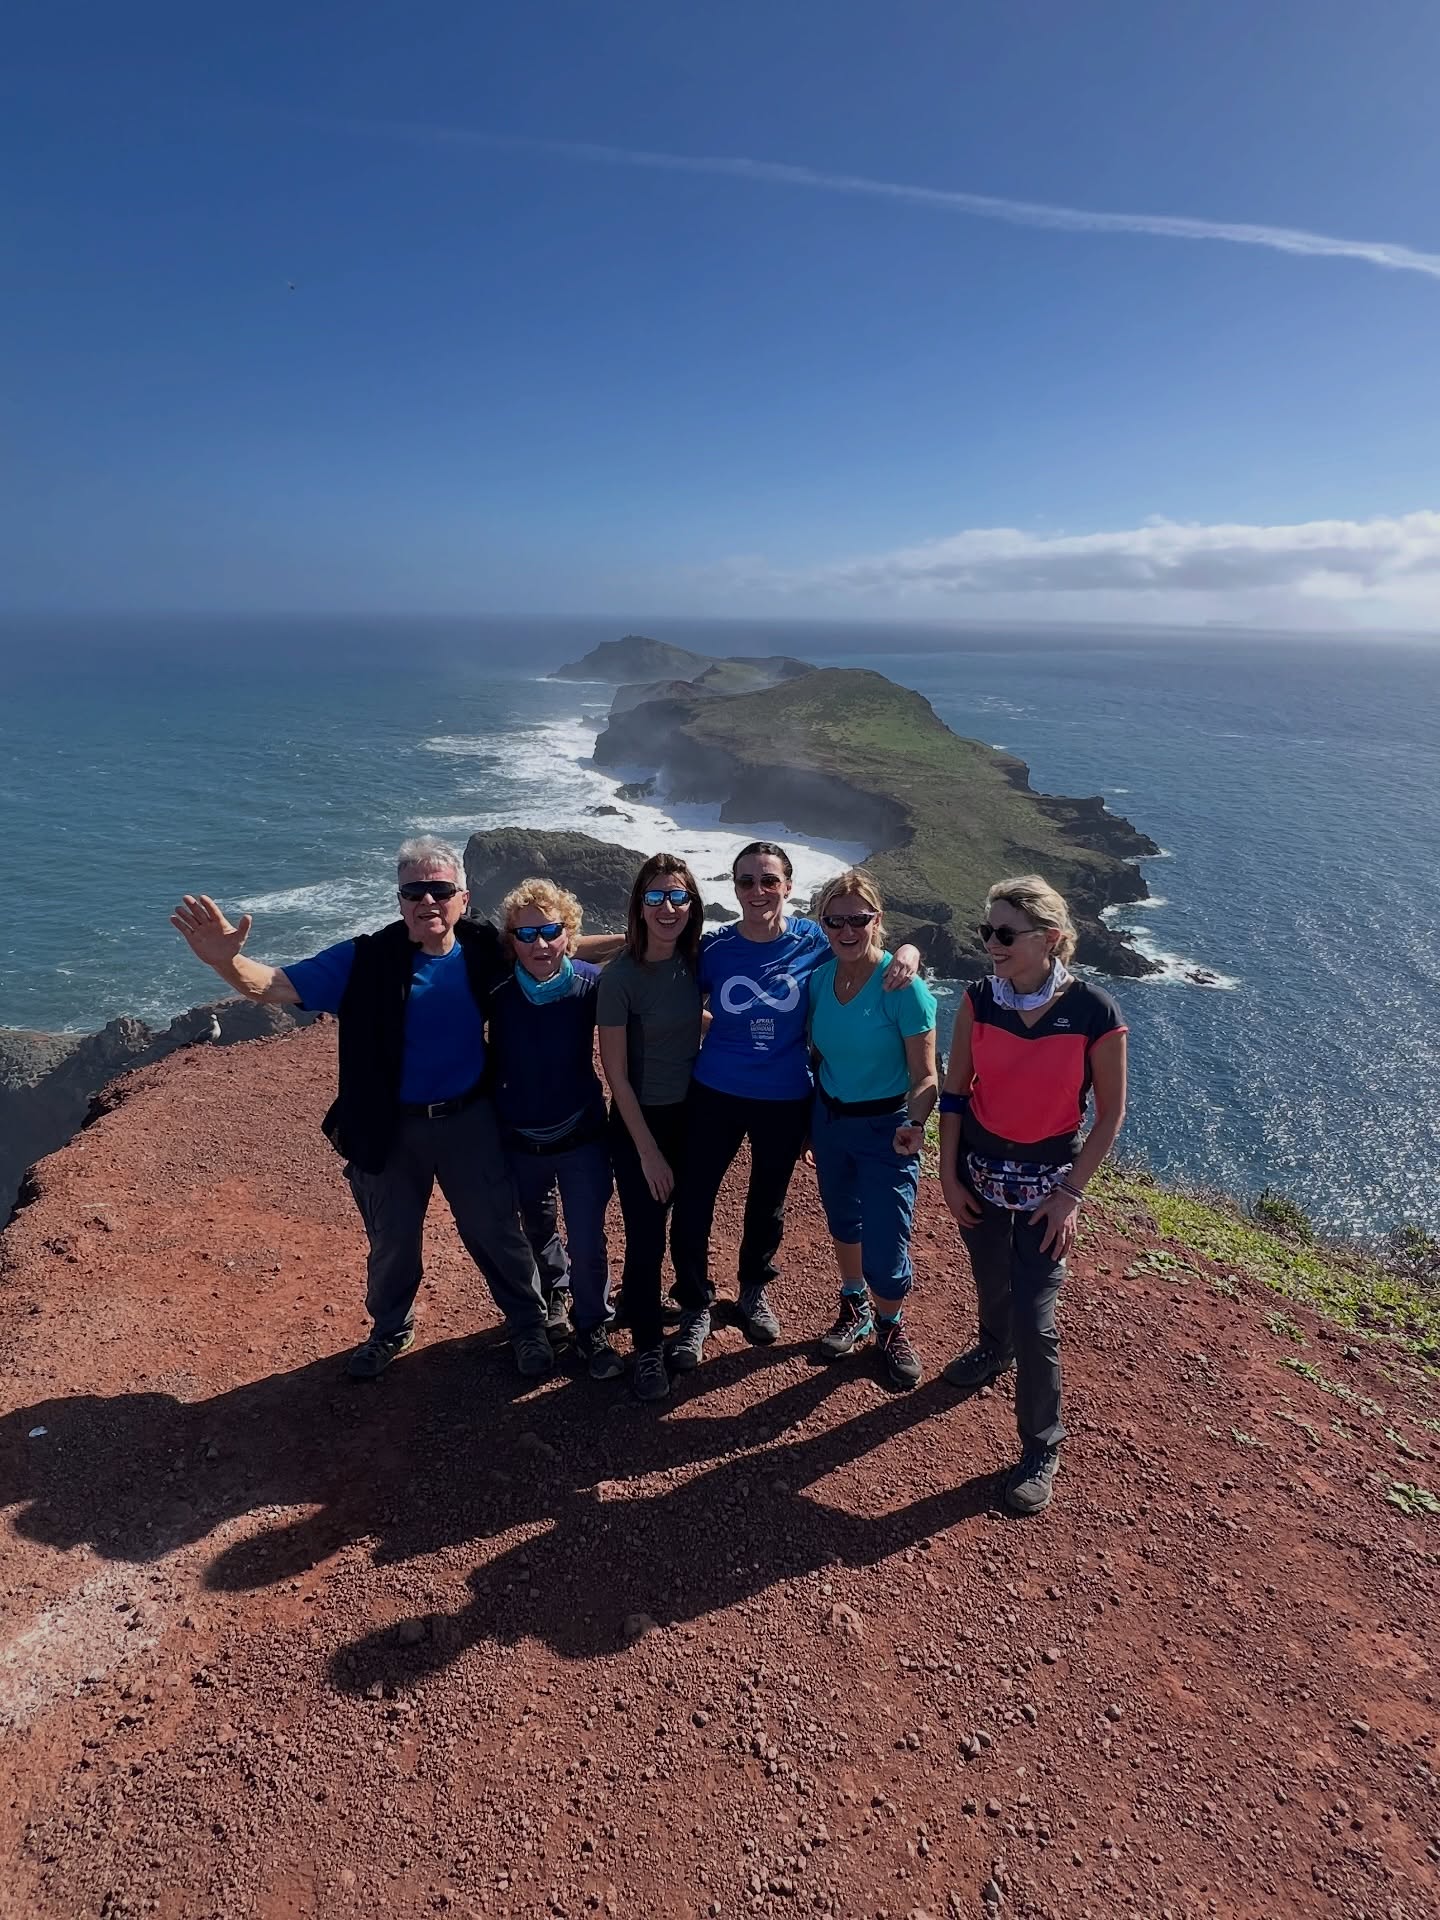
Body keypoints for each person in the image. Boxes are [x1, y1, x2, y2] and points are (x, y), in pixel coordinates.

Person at [169, 836, 556, 1381]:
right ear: (400, 901)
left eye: (439, 889)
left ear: (462, 899)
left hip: (470, 1119)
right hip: (388, 1127)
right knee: (393, 1240)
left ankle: (528, 1325)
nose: (427, 901)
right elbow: (273, 987)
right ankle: (390, 1329)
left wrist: (645, 941)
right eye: (414, 891)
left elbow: (561, 949)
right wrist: (226, 962)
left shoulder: (486, 948)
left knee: (495, 1229)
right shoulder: (364, 958)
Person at [668, 841, 921, 1368]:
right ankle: (695, 1304)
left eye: (768, 881)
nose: (757, 891)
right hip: (715, 1089)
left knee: (768, 1202)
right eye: (745, 882)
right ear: (733, 887)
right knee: (695, 1198)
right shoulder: (714, 949)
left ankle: (752, 1290)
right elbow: (664, 982)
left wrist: (910, 952)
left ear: (788, 886)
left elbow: (864, 947)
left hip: (785, 1096)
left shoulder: (815, 940)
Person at [938, 875, 1128, 1515]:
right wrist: (947, 1172)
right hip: (982, 1172)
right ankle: (993, 1350)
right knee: (991, 1279)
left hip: (1050, 1181)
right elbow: (956, 1091)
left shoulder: (1095, 1011)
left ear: (1049, 939)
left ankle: (1041, 1445)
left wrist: (1070, 1195)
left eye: (1005, 933)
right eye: (986, 931)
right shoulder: (977, 1000)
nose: (991, 943)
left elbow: (1108, 1116)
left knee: (1037, 1316)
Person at [807, 870, 938, 1389]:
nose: (846, 929)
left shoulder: (903, 988)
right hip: (830, 1119)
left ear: (876, 921)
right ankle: (856, 1304)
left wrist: (916, 1122)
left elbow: (927, 1074)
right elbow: (816, 1052)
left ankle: (891, 1324)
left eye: (857, 919)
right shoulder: (821, 979)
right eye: (835, 919)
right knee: (843, 1220)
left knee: (888, 1244)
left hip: (888, 1128)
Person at [487, 878, 621, 1382]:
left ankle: (593, 1326)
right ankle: (555, 1298)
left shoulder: (592, 984)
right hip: (520, 1138)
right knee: (537, 1231)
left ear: (569, 933)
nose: (539, 944)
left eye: (550, 931)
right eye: (526, 935)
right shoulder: (496, 989)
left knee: (588, 1240)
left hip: (582, 1135)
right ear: (511, 941)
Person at [597, 854, 705, 1402]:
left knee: (691, 1227)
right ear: (639, 904)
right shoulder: (619, 977)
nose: (668, 907)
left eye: (678, 897)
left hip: (695, 1115)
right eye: (657, 897)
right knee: (646, 1241)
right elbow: (615, 1071)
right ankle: (645, 1348)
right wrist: (647, 1152)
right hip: (642, 1123)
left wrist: (905, 950)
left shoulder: (696, 960)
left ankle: (693, 1313)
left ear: (692, 904)